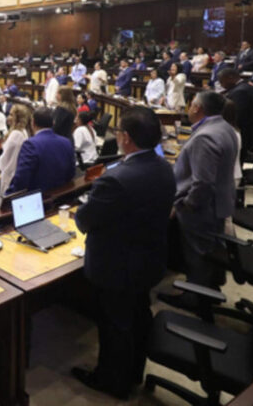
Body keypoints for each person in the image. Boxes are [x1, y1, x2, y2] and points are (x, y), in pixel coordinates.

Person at [72, 107, 176, 400]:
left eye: (118, 132)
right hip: (148, 260)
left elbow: (85, 220)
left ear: (126, 138)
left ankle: (111, 381)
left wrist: (83, 209)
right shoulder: (163, 166)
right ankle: (133, 373)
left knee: (114, 325)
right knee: (138, 317)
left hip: (116, 267)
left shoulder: (116, 179)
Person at [161, 92, 237, 309]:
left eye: (191, 104)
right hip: (219, 202)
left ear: (197, 108)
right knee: (209, 250)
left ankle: (194, 299)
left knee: (197, 255)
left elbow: (203, 183)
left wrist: (187, 205)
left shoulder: (205, 136)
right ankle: (210, 291)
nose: (188, 107)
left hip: (202, 209)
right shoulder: (225, 127)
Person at [9, 107, 75, 193]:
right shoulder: (66, 142)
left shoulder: (30, 144)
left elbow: (21, 179)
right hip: (60, 194)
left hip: (37, 197)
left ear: (33, 123)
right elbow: (71, 173)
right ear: (53, 123)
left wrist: (8, 195)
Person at [219, 68, 253, 160]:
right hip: (245, 133)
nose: (222, 85)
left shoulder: (240, 91)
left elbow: (237, 116)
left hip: (242, 135)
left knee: (235, 164)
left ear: (230, 77)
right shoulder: (245, 86)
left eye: (222, 81)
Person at [0, 104, 30, 207]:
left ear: (18, 118)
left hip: (9, 175)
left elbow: (5, 159)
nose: (8, 117)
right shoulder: (23, 131)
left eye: (11, 115)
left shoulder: (15, 134)